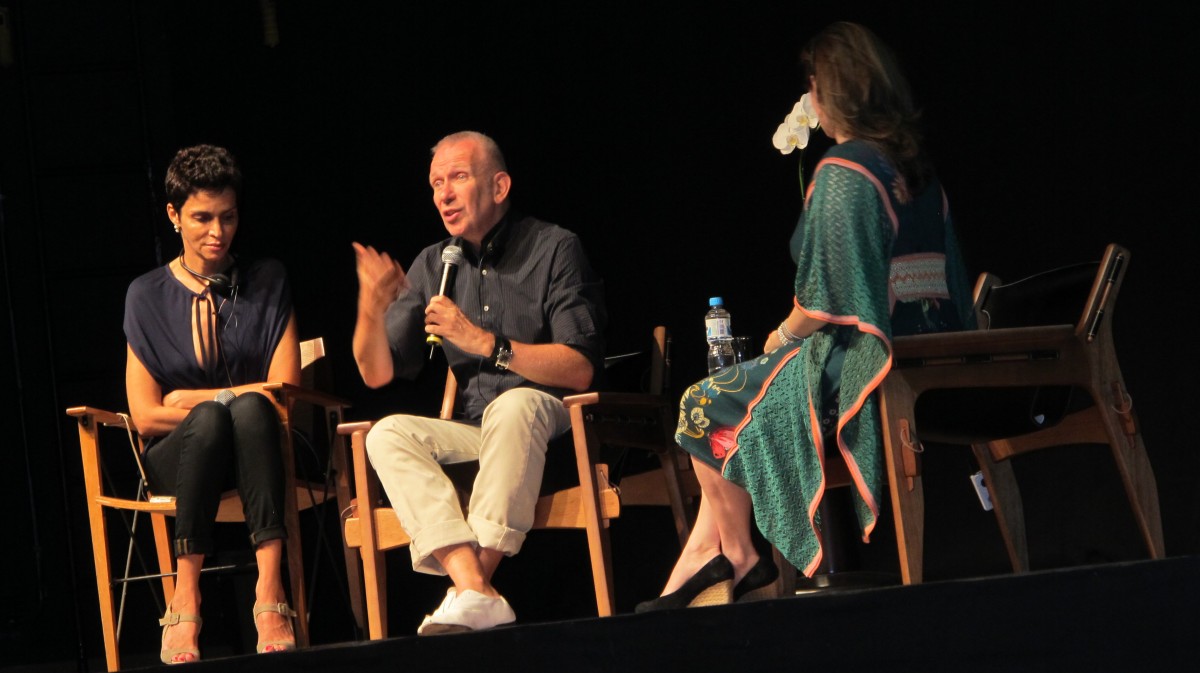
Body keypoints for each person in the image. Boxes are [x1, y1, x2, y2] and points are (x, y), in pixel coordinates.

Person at [636, 21, 976, 612]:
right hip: (929, 346)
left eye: (813, 84)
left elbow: (825, 297)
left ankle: (739, 557)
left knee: (699, 404)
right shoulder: (916, 172)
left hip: (864, 362)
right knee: (731, 407)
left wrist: (779, 336)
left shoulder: (844, 170)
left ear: (828, 91)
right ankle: (700, 566)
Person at [351, 130, 606, 634]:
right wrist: (369, 308)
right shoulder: (433, 264)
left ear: (499, 186)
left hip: (552, 424)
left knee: (514, 408)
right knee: (387, 433)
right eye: (435, 183)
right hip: (478, 429)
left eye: (458, 178)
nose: (443, 194)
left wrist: (486, 343)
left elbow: (579, 367)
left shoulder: (554, 248)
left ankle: (471, 588)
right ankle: (472, 587)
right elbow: (376, 372)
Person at [124, 144, 301, 662]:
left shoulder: (267, 280)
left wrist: (208, 396)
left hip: (259, 447)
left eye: (228, 217)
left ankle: (270, 591)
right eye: (201, 218)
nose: (217, 233)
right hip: (180, 458)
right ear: (174, 216)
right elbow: (146, 414)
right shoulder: (146, 295)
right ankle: (186, 592)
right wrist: (214, 405)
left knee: (247, 411)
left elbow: (282, 387)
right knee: (209, 418)